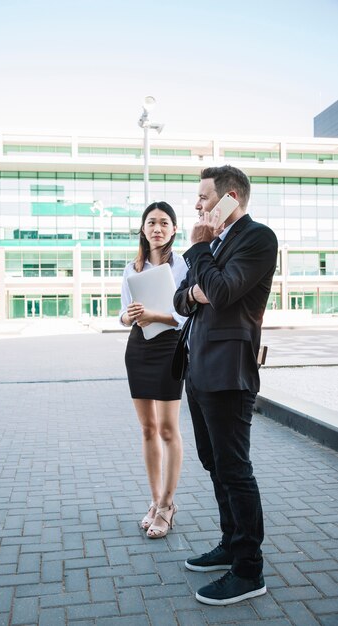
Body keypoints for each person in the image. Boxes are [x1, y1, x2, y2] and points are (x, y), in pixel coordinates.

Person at [174, 165, 278, 605]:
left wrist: (199, 254)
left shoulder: (257, 238)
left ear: (230, 197)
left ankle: (249, 569)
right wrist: (199, 284)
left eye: (204, 197)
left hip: (230, 372)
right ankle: (230, 542)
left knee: (235, 470)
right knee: (214, 463)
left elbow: (220, 291)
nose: (197, 205)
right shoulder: (215, 245)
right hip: (199, 371)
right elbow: (182, 299)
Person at [120, 201, 187, 538]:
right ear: (143, 229)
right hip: (138, 346)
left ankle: (168, 504)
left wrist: (156, 315)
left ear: (174, 229)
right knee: (147, 428)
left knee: (167, 429)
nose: (157, 228)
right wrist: (130, 315)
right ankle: (154, 499)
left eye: (164, 222)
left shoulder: (183, 265)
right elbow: (120, 314)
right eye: (151, 222)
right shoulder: (131, 267)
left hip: (169, 348)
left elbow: (186, 314)